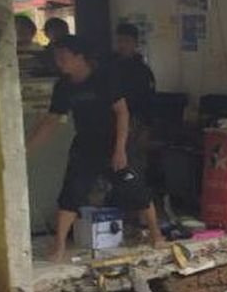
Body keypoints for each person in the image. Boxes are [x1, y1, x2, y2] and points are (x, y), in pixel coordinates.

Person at [25, 34, 165, 262]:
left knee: (135, 190)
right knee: (71, 193)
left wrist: (119, 149)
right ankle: (58, 246)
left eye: (64, 57)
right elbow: (52, 120)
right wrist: (26, 150)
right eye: (56, 58)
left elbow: (122, 112)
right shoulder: (63, 86)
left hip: (115, 143)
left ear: (80, 57)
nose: (59, 62)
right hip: (85, 145)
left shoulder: (104, 78)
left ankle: (156, 234)